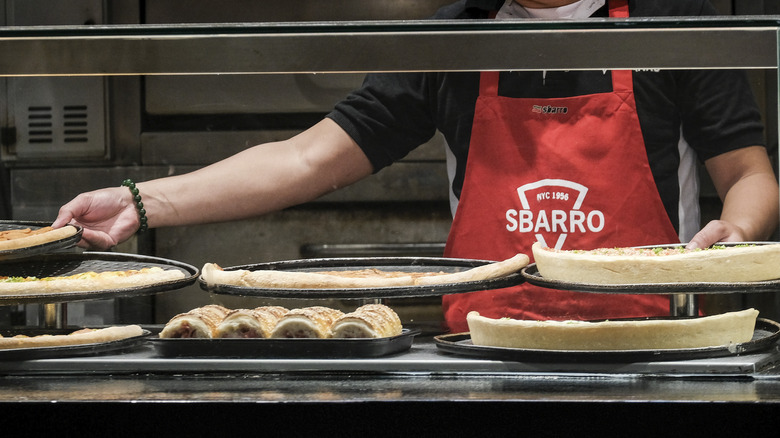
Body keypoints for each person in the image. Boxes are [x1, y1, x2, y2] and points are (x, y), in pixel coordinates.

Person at [54, 0, 779, 331]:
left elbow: (749, 175)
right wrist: (140, 202)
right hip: (488, 349)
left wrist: (735, 240)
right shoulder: (456, 40)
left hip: (652, 344)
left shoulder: (674, 22)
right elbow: (307, 158)